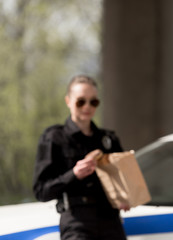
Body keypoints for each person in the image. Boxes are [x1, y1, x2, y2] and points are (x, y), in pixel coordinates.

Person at [33, 75, 128, 240]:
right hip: (77, 221)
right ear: (68, 101)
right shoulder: (54, 138)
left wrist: (126, 196)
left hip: (110, 220)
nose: (87, 107)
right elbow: (41, 191)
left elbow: (125, 178)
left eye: (93, 102)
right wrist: (74, 174)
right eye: (81, 101)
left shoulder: (108, 139)